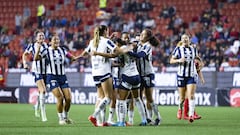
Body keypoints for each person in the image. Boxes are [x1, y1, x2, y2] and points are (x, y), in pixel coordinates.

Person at [78, 25, 126, 127]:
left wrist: (76, 57)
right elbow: (117, 50)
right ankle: (94, 116)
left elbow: (85, 53)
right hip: (104, 71)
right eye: (107, 31)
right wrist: (126, 48)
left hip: (95, 72)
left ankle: (100, 122)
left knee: (100, 97)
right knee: (108, 97)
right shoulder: (106, 41)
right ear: (105, 31)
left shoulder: (92, 41)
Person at [34, 34, 77, 125]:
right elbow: (36, 58)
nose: (57, 41)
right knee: (60, 97)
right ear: (50, 42)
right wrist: (38, 50)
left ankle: (66, 117)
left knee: (68, 98)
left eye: (58, 40)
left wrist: (74, 58)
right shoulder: (46, 51)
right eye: (54, 40)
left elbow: (70, 56)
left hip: (62, 76)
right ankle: (60, 119)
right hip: (52, 77)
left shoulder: (62, 50)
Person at [128, 29, 162, 126]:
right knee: (138, 98)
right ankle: (147, 118)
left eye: (143, 34)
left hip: (147, 74)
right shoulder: (138, 44)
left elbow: (140, 55)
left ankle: (158, 117)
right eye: (141, 34)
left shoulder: (148, 46)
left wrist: (126, 52)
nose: (141, 36)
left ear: (147, 37)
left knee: (149, 98)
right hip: (139, 74)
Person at [170, 34, 199, 123]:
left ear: (189, 39)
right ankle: (179, 109)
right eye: (183, 38)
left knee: (191, 95)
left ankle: (191, 115)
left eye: (186, 38)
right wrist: (178, 60)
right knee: (182, 97)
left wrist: (200, 63)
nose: (184, 39)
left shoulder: (194, 49)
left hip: (191, 75)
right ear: (181, 40)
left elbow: (197, 58)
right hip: (181, 75)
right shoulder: (178, 49)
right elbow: (171, 61)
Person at [22, 31, 48, 122]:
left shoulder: (47, 46)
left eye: (43, 35)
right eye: (39, 36)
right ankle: (43, 114)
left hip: (46, 72)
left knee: (43, 91)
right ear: (36, 38)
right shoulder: (32, 46)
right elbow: (25, 54)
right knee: (43, 90)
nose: (41, 37)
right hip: (36, 70)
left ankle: (37, 105)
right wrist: (25, 63)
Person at [183, 56, 205, 120]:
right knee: (189, 96)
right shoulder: (188, 60)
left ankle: (191, 114)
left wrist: (202, 79)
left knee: (190, 96)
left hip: (193, 79)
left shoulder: (195, 62)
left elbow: (198, 71)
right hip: (186, 79)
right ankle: (188, 114)